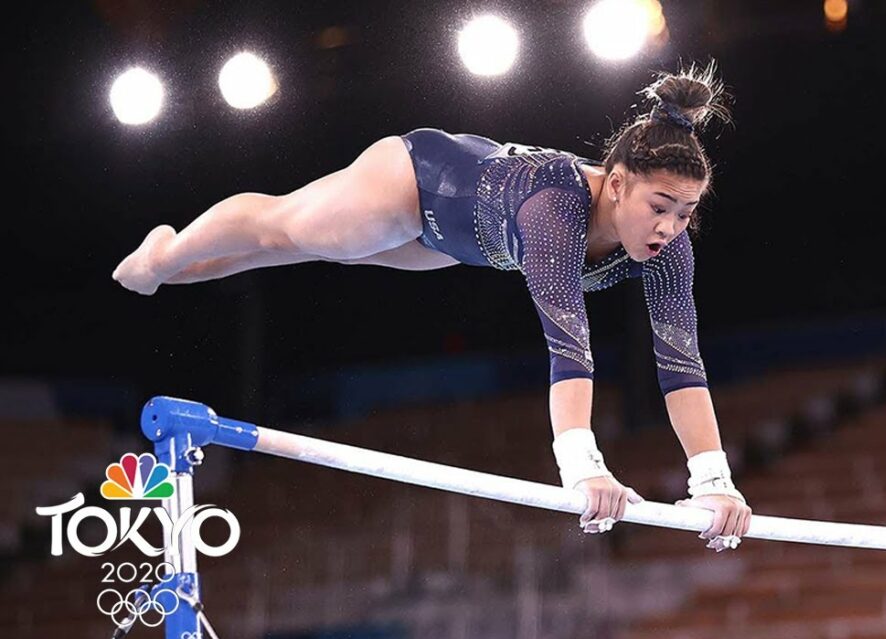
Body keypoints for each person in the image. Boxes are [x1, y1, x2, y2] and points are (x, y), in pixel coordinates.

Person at [112, 63, 752, 552]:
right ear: (616, 183)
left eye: (686, 212)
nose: (670, 226)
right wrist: (583, 468)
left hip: (462, 243)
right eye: (659, 207)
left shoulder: (669, 250)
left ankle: (181, 272)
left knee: (293, 254)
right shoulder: (559, 209)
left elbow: (681, 364)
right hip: (418, 184)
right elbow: (569, 344)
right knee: (284, 229)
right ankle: (163, 256)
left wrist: (714, 480)